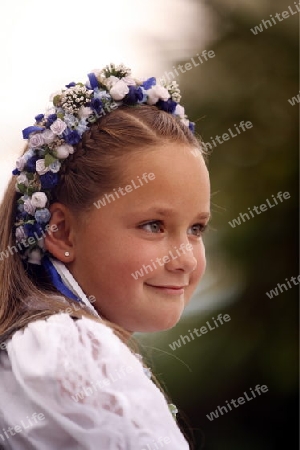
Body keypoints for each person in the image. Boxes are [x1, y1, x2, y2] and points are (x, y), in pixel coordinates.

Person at [0, 63, 210, 449]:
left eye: (197, 229)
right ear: (61, 230)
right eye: (154, 226)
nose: (187, 260)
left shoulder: (37, 343)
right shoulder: (69, 346)